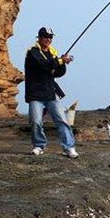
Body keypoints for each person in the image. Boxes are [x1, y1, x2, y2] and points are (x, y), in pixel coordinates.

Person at [24, 27, 79, 158]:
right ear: (39, 37)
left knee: (62, 120)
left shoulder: (52, 54)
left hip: (50, 92)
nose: (48, 39)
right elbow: (43, 64)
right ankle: (39, 145)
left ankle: (69, 147)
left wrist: (63, 63)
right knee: (36, 121)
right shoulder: (32, 52)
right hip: (35, 93)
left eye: (50, 37)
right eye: (45, 36)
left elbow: (58, 73)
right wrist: (59, 61)